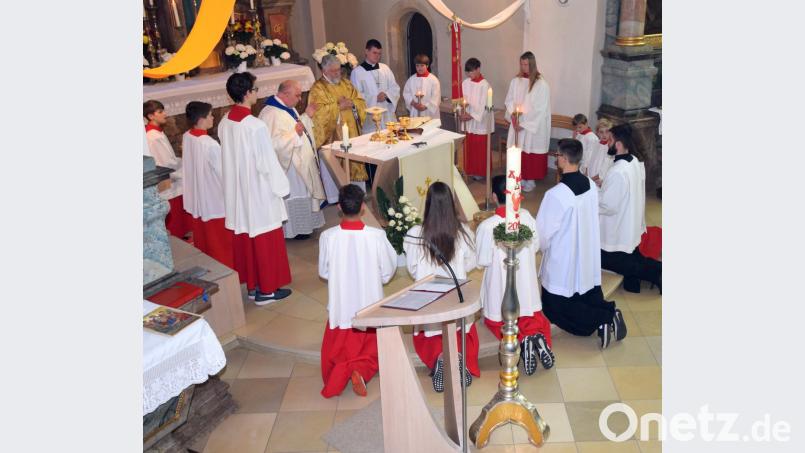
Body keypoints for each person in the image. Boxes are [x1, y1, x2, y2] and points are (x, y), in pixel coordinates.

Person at [536, 138, 626, 349]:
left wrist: (539, 248)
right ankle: (609, 311)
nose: (557, 159)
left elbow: (542, 234)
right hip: (585, 255)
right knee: (585, 294)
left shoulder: (556, 195)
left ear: (564, 159)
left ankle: (604, 319)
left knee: (553, 310)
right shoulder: (589, 185)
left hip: (564, 260)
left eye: (557, 156)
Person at [218, 72, 293, 305]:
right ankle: (267, 291)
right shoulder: (254, 125)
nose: (257, 93)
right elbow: (267, 163)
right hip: (258, 190)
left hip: (239, 190)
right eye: (255, 89)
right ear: (248, 92)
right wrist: (281, 187)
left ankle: (253, 287)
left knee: (248, 238)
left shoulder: (224, 121)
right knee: (265, 239)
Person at [318, 184, 397, 398]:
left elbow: (324, 272)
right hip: (369, 304)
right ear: (363, 207)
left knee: (340, 347)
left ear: (338, 208)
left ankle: (343, 370)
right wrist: (375, 280)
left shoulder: (328, 237)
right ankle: (359, 370)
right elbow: (388, 270)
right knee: (373, 347)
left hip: (341, 306)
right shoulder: (376, 236)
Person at [403, 182, 478, 392]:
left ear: (427, 204)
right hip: (455, 295)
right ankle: (459, 357)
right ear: (452, 204)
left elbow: (412, 268)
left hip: (428, 299)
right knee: (463, 333)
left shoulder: (416, 233)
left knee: (427, 336)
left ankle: (439, 358)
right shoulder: (463, 231)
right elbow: (471, 263)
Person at [476, 175, 554, 375]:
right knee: (531, 317)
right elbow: (536, 246)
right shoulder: (527, 217)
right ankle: (533, 337)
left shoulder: (487, 226)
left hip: (500, 290)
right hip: (526, 288)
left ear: (494, 197)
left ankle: (522, 340)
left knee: (498, 322)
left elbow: (482, 260)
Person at [259, 80, 326, 240]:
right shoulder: (271, 114)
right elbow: (272, 144)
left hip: (299, 164)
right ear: (284, 94)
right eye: (297, 95)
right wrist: (294, 134)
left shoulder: (287, 108)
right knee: (297, 193)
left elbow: (297, 127)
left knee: (304, 191)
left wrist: (306, 116)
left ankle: (306, 225)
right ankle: (296, 229)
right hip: (290, 168)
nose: (299, 99)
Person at [599, 124, 662, 293]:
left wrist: (592, 196)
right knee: (628, 258)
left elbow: (608, 206)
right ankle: (633, 283)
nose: (607, 143)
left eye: (610, 140)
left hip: (617, 229)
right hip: (629, 224)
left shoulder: (618, 171)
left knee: (601, 259)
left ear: (618, 144)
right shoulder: (633, 161)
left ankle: (657, 272)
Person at [181, 101, 234, 269]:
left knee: (204, 238)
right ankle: (226, 269)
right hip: (214, 198)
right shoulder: (209, 143)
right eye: (211, 115)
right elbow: (223, 174)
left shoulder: (187, 136)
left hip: (198, 195)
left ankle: (208, 266)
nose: (213, 118)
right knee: (220, 243)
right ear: (202, 119)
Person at [309, 53, 369, 188]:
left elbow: (360, 101)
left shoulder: (346, 83)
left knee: (354, 164)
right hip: (333, 137)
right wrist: (338, 107)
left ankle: (358, 194)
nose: (338, 73)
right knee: (336, 175)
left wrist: (352, 103)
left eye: (339, 70)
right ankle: (338, 198)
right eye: (334, 71)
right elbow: (317, 114)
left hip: (352, 134)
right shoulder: (318, 88)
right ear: (324, 70)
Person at [144, 99, 193, 238]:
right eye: (160, 112)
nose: (165, 114)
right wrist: (184, 164)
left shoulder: (157, 132)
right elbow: (166, 163)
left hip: (171, 173)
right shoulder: (153, 137)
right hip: (167, 179)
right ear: (150, 116)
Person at [505, 51, 551, 192]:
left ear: (532, 64)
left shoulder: (541, 84)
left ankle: (530, 180)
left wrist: (524, 124)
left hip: (530, 125)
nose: (523, 67)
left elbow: (540, 108)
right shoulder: (516, 81)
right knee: (519, 150)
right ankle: (519, 177)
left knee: (529, 151)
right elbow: (510, 99)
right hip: (517, 122)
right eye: (521, 64)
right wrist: (514, 115)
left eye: (526, 64)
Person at [350, 39, 400, 135]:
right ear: (366, 51)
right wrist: (375, 98)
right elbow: (356, 97)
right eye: (374, 53)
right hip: (370, 118)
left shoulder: (385, 68)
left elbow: (395, 88)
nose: (377, 56)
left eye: (379, 53)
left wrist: (387, 95)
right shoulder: (357, 72)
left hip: (387, 115)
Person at [460, 57, 494, 180]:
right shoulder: (465, 83)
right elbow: (462, 100)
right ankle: (470, 169)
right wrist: (462, 111)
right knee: (470, 146)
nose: (470, 74)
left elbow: (485, 105)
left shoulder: (485, 85)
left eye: (472, 71)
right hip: (468, 120)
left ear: (478, 69)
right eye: (467, 72)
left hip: (480, 122)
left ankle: (480, 172)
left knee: (480, 148)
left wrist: (471, 116)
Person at [402, 54, 441, 119]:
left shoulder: (433, 80)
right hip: (415, 110)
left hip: (429, 111)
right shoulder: (411, 79)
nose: (419, 68)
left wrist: (425, 106)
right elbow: (406, 93)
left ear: (427, 66)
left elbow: (436, 97)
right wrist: (414, 104)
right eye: (417, 66)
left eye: (422, 66)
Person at [588, 118, 615, 186]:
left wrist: (591, 179)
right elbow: (589, 160)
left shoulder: (611, 148)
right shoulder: (595, 143)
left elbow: (604, 169)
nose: (604, 135)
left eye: (607, 131)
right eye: (601, 132)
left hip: (599, 181)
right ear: (597, 132)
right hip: (590, 176)